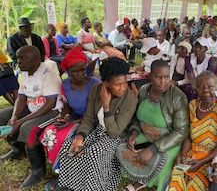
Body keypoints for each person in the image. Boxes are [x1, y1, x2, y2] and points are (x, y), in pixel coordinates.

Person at [57, 57, 138, 191]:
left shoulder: (130, 99)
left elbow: (114, 132)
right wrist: (80, 137)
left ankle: (93, 188)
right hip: (98, 131)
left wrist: (106, 106)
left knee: (94, 152)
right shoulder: (96, 89)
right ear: (106, 83)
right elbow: (88, 118)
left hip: (116, 138)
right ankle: (72, 186)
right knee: (69, 146)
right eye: (118, 84)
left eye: (125, 82)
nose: (123, 88)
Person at [117, 60, 189, 191]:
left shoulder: (177, 97)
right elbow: (138, 118)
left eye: (166, 77)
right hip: (145, 134)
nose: (163, 82)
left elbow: (181, 131)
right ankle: (141, 174)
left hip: (169, 139)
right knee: (121, 147)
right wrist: (134, 132)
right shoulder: (144, 90)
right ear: (150, 77)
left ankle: (143, 181)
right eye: (158, 77)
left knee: (162, 159)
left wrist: (153, 149)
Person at [0, 46, 61, 189]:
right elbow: (21, 98)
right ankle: (17, 149)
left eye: (22, 58)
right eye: (17, 58)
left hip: (50, 111)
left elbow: (50, 104)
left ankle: (38, 170)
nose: (18, 61)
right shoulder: (25, 72)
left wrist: (20, 121)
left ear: (36, 60)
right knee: (3, 117)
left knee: (27, 128)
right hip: (31, 107)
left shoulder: (48, 73)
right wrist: (14, 117)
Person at [39, 47, 100, 180]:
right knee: (49, 131)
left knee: (66, 139)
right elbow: (67, 106)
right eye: (75, 71)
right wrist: (66, 117)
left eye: (83, 69)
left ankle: (69, 173)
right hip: (75, 118)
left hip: (92, 121)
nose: (80, 74)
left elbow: (96, 112)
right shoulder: (65, 85)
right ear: (68, 72)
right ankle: (58, 170)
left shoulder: (95, 84)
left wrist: (73, 122)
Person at [169, 71, 217, 191]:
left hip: (211, 159)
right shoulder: (192, 105)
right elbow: (188, 136)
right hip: (192, 154)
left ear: (216, 88)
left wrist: (201, 162)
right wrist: (183, 155)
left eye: (210, 87)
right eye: (201, 87)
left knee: (195, 186)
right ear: (195, 89)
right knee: (176, 176)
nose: (206, 90)